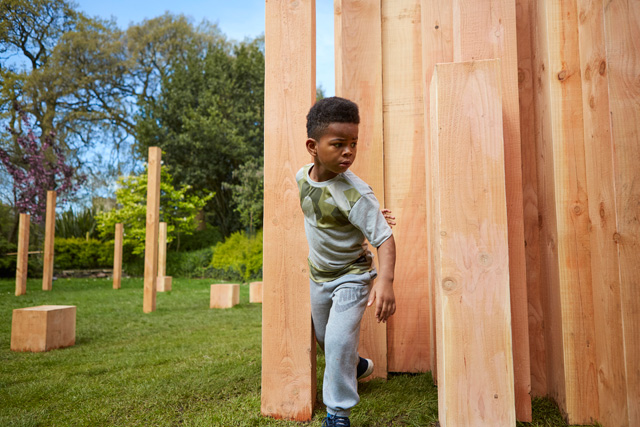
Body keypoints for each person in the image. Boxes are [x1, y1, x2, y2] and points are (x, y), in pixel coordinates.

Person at [296, 96, 397, 427]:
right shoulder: (302, 178)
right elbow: (321, 214)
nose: (348, 152)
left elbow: (384, 239)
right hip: (319, 276)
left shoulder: (357, 193)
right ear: (313, 146)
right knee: (326, 339)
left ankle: (337, 414)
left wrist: (384, 281)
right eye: (338, 144)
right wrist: (360, 218)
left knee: (337, 340)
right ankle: (353, 366)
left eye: (353, 144)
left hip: (352, 276)